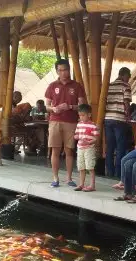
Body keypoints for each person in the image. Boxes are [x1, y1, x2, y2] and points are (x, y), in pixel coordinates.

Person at [45, 58, 87, 188]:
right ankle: (55, 178)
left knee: (69, 150)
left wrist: (69, 107)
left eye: (65, 70)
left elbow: (83, 106)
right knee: (55, 150)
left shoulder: (77, 86)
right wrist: (54, 109)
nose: (63, 73)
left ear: (69, 70)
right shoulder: (52, 85)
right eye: (60, 70)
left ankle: (69, 178)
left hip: (71, 121)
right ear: (57, 71)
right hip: (55, 121)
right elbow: (46, 106)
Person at [104, 67, 133, 178]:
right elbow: (126, 101)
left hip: (107, 119)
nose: (129, 79)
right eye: (128, 77)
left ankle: (109, 172)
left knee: (110, 147)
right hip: (119, 119)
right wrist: (128, 115)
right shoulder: (126, 86)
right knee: (120, 147)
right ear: (125, 75)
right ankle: (118, 174)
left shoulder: (109, 85)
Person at [73, 104, 99, 192]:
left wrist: (89, 142)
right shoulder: (79, 124)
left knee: (90, 167)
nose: (81, 117)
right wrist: (76, 137)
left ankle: (92, 185)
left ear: (89, 115)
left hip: (89, 148)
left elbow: (96, 138)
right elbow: (76, 135)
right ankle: (81, 184)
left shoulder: (93, 126)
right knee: (81, 167)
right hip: (80, 148)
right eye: (79, 115)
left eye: (83, 115)